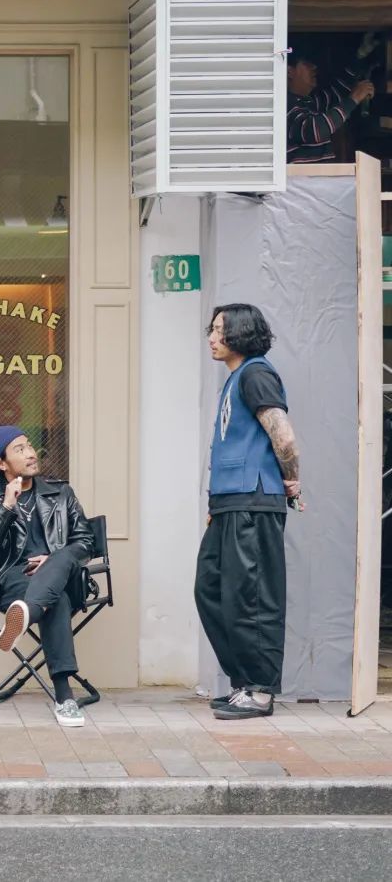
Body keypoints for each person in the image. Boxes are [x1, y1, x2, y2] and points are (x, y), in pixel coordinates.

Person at [196, 304, 302, 721]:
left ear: (241, 333)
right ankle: (243, 682)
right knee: (211, 591)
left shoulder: (257, 372)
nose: (212, 337)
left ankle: (259, 692)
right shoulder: (237, 378)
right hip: (228, 503)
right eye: (212, 329)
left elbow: (283, 433)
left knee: (252, 597)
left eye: (220, 330)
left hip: (253, 501)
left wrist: (292, 480)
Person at [0, 425, 94, 728]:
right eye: (19, 449)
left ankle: (30, 612)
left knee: (60, 563)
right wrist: (6, 507)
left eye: (29, 446)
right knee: (57, 598)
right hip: (13, 580)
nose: (31, 453)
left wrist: (53, 559)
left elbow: (85, 542)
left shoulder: (61, 493)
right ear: (0, 464)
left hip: (62, 574)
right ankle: (64, 698)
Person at [286, 48, 374, 163]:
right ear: (289, 71)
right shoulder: (284, 104)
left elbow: (339, 92)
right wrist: (354, 99)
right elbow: (315, 130)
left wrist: (360, 55)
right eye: (307, 64)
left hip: (317, 179)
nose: (314, 67)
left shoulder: (310, 103)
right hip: (303, 180)